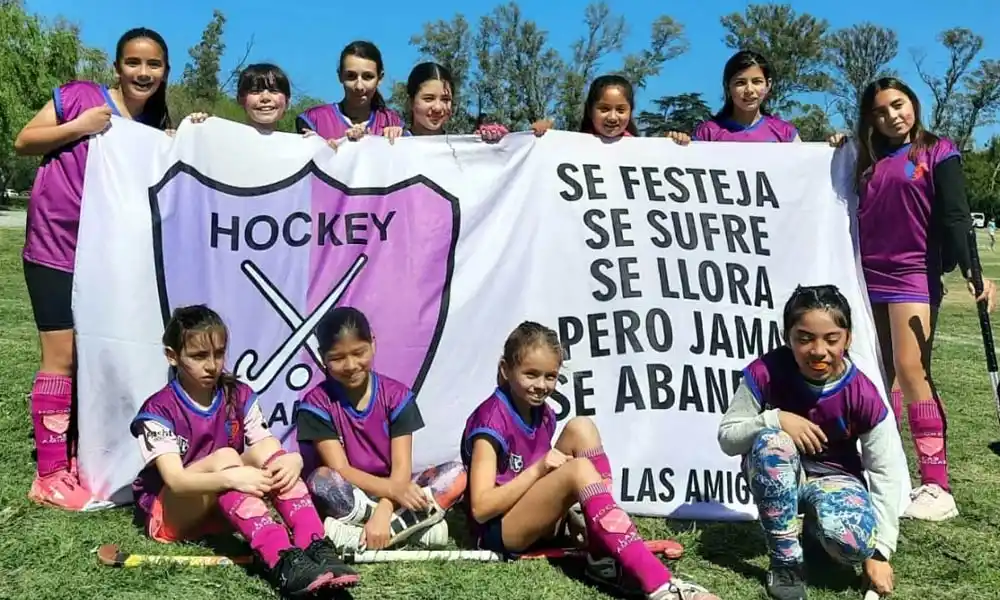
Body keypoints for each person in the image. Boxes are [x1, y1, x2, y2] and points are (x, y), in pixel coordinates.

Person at [14, 27, 173, 511]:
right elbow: (25, 140)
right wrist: (79, 127)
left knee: (96, 354)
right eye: (133, 62)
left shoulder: (154, 124)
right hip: (56, 248)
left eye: (153, 65)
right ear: (117, 66)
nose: (143, 73)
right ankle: (49, 474)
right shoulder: (81, 97)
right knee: (59, 355)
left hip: (110, 255)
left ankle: (81, 456)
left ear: (165, 71)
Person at [829, 77, 998, 521]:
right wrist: (834, 145)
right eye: (881, 111)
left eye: (898, 106)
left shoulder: (938, 151)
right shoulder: (863, 158)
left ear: (914, 104)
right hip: (867, 276)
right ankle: (883, 470)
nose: (892, 117)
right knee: (879, 374)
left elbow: (958, 215)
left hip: (914, 276)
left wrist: (973, 271)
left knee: (911, 368)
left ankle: (937, 485)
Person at [462, 321, 717, 600]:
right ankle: (661, 587)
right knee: (579, 469)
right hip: (497, 531)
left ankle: (601, 552)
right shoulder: (490, 422)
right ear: (505, 370)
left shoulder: (543, 413)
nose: (541, 385)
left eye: (550, 376)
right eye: (531, 374)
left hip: (525, 512)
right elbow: (481, 509)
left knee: (581, 427)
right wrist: (539, 470)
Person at [130, 305, 359, 596]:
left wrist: (296, 460)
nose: (212, 365)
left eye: (219, 353)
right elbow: (176, 480)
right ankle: (281, 560)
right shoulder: (158, 408)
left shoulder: (237, 393)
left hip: (222, 506)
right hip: (170, 514)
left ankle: (315, 544)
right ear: (172, 356)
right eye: (199, 356)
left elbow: (265, 446)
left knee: (272, 448)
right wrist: (233, 479)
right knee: (226, 457)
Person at [718, 285, 905, 600]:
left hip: (836, 479)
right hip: (782, 473)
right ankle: (785, 562)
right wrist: (775, 419)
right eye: (804, 338)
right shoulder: (765, 371)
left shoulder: (862, 392)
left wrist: (880, 551)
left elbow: (886, 470)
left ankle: (818, 535)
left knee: (854, 544)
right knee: (772, 444)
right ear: (787, 337)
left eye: (831, 339)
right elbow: (728, 437)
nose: (818, 351)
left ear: (848, 338)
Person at [297, 307, 468, 551]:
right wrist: (394, 492)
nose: (351, 365)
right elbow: (340, 468)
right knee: (320, 480)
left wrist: (385, 509)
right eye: (337, 358)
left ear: (373, 344)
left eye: (359, 353)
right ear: (322, 356)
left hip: (396, 492)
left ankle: (355, 535)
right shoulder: (315, 405)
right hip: (354, 493)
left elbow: (401, 469)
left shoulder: (397, 397)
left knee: (456, 474)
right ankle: (413, 529)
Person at [664, 50, 799, 145]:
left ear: (768, 84)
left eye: (757, 81)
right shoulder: (708, 133)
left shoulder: (785, 133)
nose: (749, 90)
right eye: (740, 83)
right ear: (728, 87)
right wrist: (674, 145)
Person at [296, 41, 404, 145]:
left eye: (368, 77)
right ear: (340, 76)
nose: (359, 86)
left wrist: (393, 141)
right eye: (351, 76)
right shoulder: (315, 120)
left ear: (380, 78)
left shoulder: (392, 121)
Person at [382, 62, 507, 143]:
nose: (438, 107)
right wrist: (385, 139)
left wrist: (493, 142)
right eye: (428, 99)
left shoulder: (462, 149)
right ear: (410, 102)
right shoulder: (393, 142)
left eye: (445, 100)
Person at [184, 63, 293, 134]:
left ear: (287, 101)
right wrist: (194, 128)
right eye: (255, 91)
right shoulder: (219, 137)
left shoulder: (301, 147)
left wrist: (309, 142)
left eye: (274, 91)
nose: (265, 98)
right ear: (240, 99)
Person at [530, 74, 638, 141]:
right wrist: (543, 137)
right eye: (604, 109)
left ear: (630, 111)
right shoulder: (573, 145)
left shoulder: (641, 150)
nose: (612, 117)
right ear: (590, 110)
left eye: (620, 110)